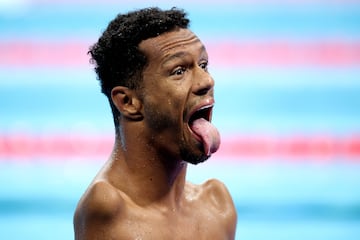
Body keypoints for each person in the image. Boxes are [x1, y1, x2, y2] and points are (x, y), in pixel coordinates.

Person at [73, 7, 237, 239]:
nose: (207, 81)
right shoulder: (108, 210)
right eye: (179, 71)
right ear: (128, 101)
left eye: (203, 65)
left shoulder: (218, 206)